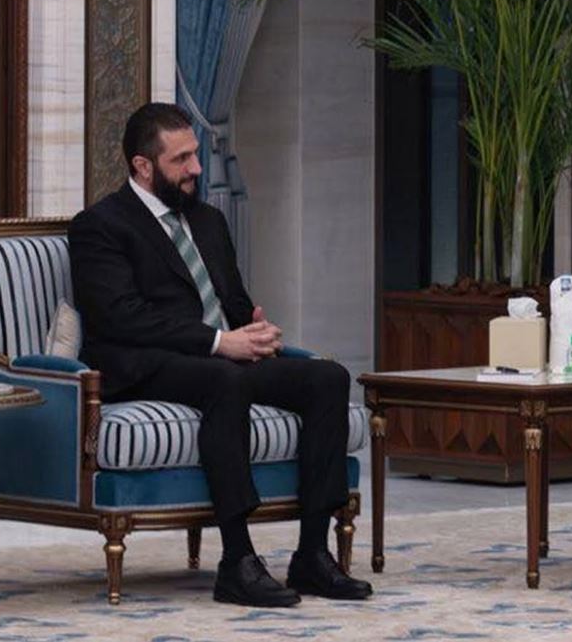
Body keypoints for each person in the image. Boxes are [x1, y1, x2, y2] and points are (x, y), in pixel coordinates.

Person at [69, 103, 373, 608]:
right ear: (142, 166)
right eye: (181, 159)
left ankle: (312, 556)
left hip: (217, 359)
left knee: (328, 378)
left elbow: (231, 300)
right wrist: (217, 342)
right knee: (224, 380)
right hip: (145, 365)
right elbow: (122, 318)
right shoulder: (100, 225)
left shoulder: (207, 220)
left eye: (195, 155)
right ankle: (237, 560)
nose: (195, 168)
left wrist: (255, 328)